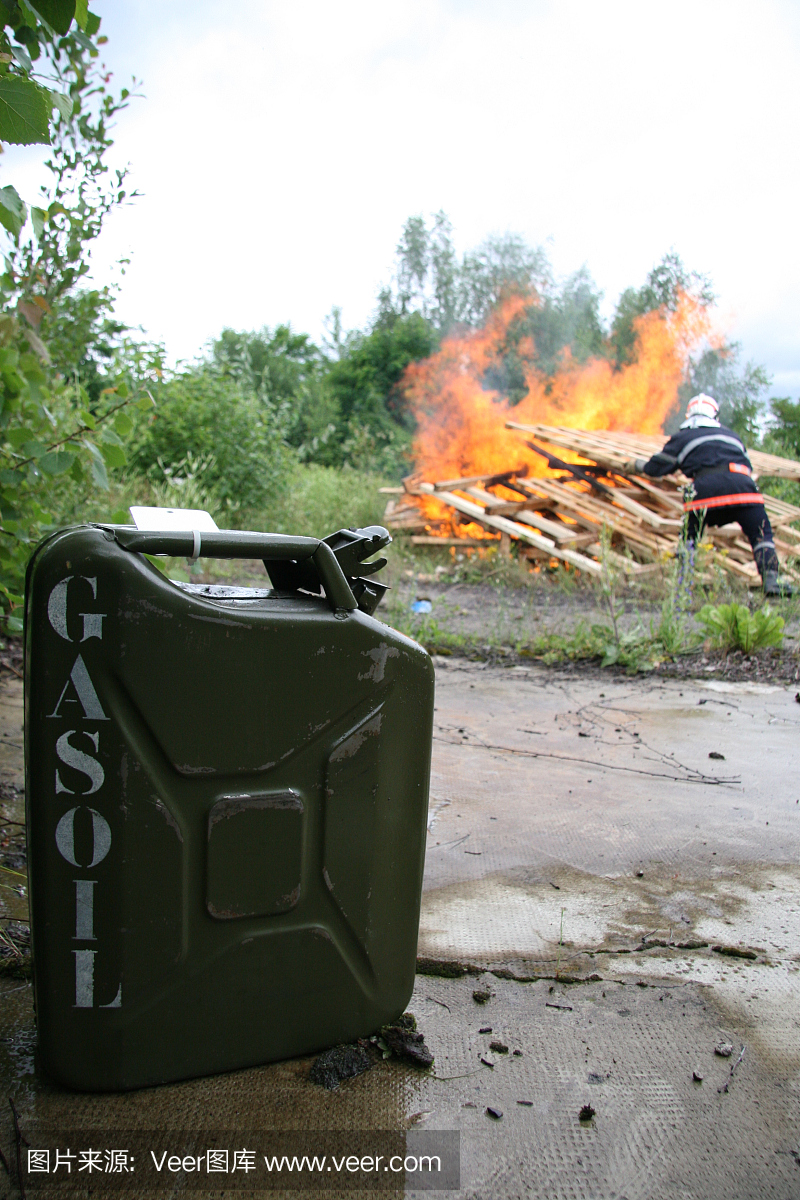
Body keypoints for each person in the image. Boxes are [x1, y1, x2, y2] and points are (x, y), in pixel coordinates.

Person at [625, 393, 792, 596]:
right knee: (761, 534)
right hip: (745, 490)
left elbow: (657, 467)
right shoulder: (732, 436)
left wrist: (636, 465)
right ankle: (771, 581)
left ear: (689, 416)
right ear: (715, 416)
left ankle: (683, 584)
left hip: (706, 491)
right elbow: (746, 466)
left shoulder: (683, 437)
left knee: (690, 535)